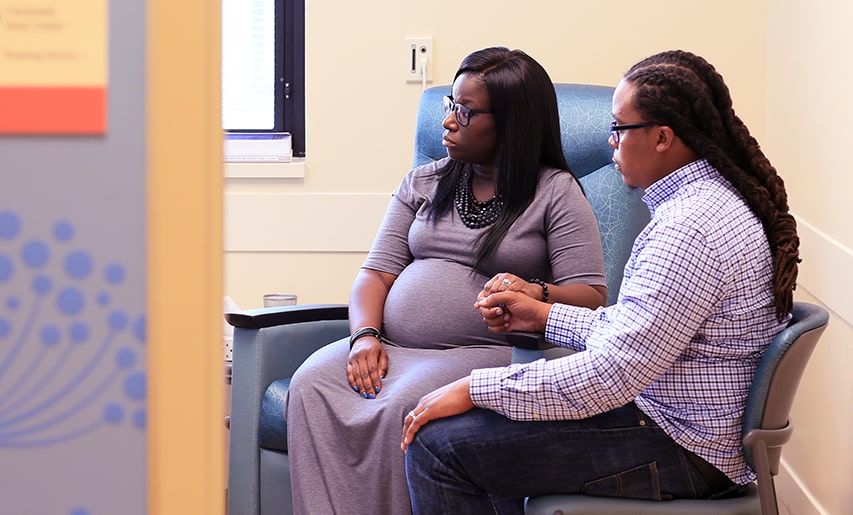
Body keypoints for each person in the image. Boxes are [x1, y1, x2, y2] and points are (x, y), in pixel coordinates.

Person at [401, 49, 801, 514]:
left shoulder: (688, 230)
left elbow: (611, 375)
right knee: (482, 433)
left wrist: (474, 387)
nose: (611, 143)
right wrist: (546, 316)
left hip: (681, 448)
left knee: (439, 447)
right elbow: (637, 333)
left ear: (662, 138)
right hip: (686, 428)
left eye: (619, 129)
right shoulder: (710, 203)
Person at [284, 47, 608, 514]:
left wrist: (534, 293)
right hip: (392, 345)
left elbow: (592, 297)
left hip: (486, 353)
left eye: (466, 111)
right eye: (450, 106)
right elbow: (375, 274)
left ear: (512, 123)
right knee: (312, 381)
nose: (450, 122)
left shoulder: (554, 192)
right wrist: (364, 337)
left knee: (404, 402)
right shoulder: (423, 182)